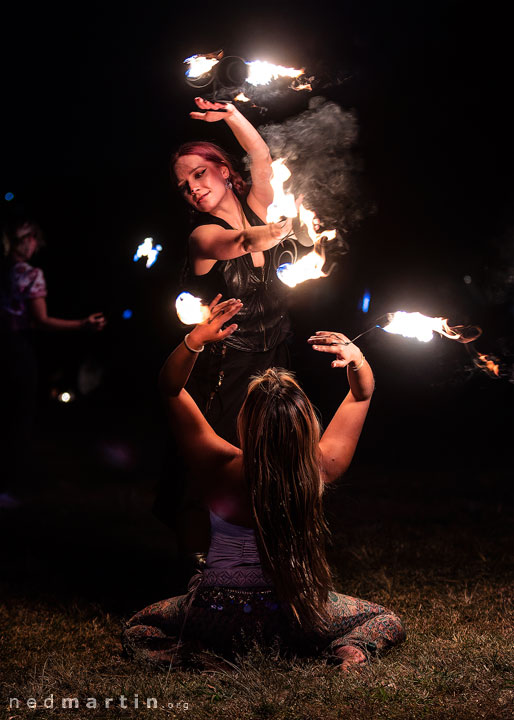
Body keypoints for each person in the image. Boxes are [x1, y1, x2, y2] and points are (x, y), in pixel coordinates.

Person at [124, 297, 405, 671]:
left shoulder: (219, 464)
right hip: (298, 613)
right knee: (384, 619)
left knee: (139, 626)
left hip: (217, 612)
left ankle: (194, 658)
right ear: (305, 423)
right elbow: (361, 393)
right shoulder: (319, 467)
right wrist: (357, 359)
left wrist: (196, 340)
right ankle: (349, 652)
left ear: (247, 420)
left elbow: (171, 389)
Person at [157, 97, 306, 564]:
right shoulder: (202, 236)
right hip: (227, 367)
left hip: (274, 357)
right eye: (183, 185)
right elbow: (242, 242)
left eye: (199, 174)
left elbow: (261, 158)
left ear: (223, 170)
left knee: (275, 460)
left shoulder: (258, 204)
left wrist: (230, 116)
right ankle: (200, 570)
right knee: (216, 467)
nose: (193, 189)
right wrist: (297, 225)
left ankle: (266, 562)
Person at [0, 218, 106, 507]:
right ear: (27, 240)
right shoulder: (30, 274)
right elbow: (41, 320)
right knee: (17, 417)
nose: (36, 245)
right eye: (34, 239)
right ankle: (9, 488)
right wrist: (82, 324)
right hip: (16, 349)